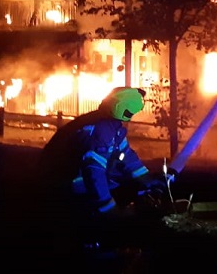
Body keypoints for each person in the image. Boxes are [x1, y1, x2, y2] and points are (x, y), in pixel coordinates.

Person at [39, 86, 168, 251]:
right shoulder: (101, 129)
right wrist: (109, 208)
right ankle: (92, 246)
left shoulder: (109, 125)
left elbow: (126, 155)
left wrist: (146, 179)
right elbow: (93, 170)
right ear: (125, 110)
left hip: (64, 176)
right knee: (97, 209)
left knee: (115, 186)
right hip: (63, 181)